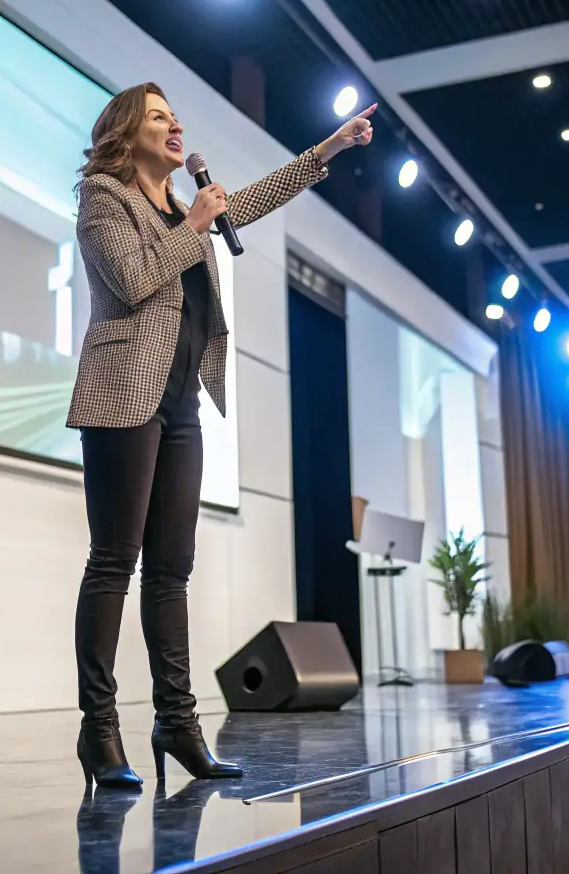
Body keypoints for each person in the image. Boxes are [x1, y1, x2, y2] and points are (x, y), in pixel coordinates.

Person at [68, 81, 376, 790]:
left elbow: (261, 195)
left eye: (176, 119)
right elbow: (134, 278)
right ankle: (99, 730)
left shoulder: (184, 206)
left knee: (171, 568)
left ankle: (177, 725)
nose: (175, 126)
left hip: (181, 402)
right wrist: (197, 224)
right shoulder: (102, 200)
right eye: (158, 118)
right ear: (125, 131)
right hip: (122, 396)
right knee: (114, 562)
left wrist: (330, 146)